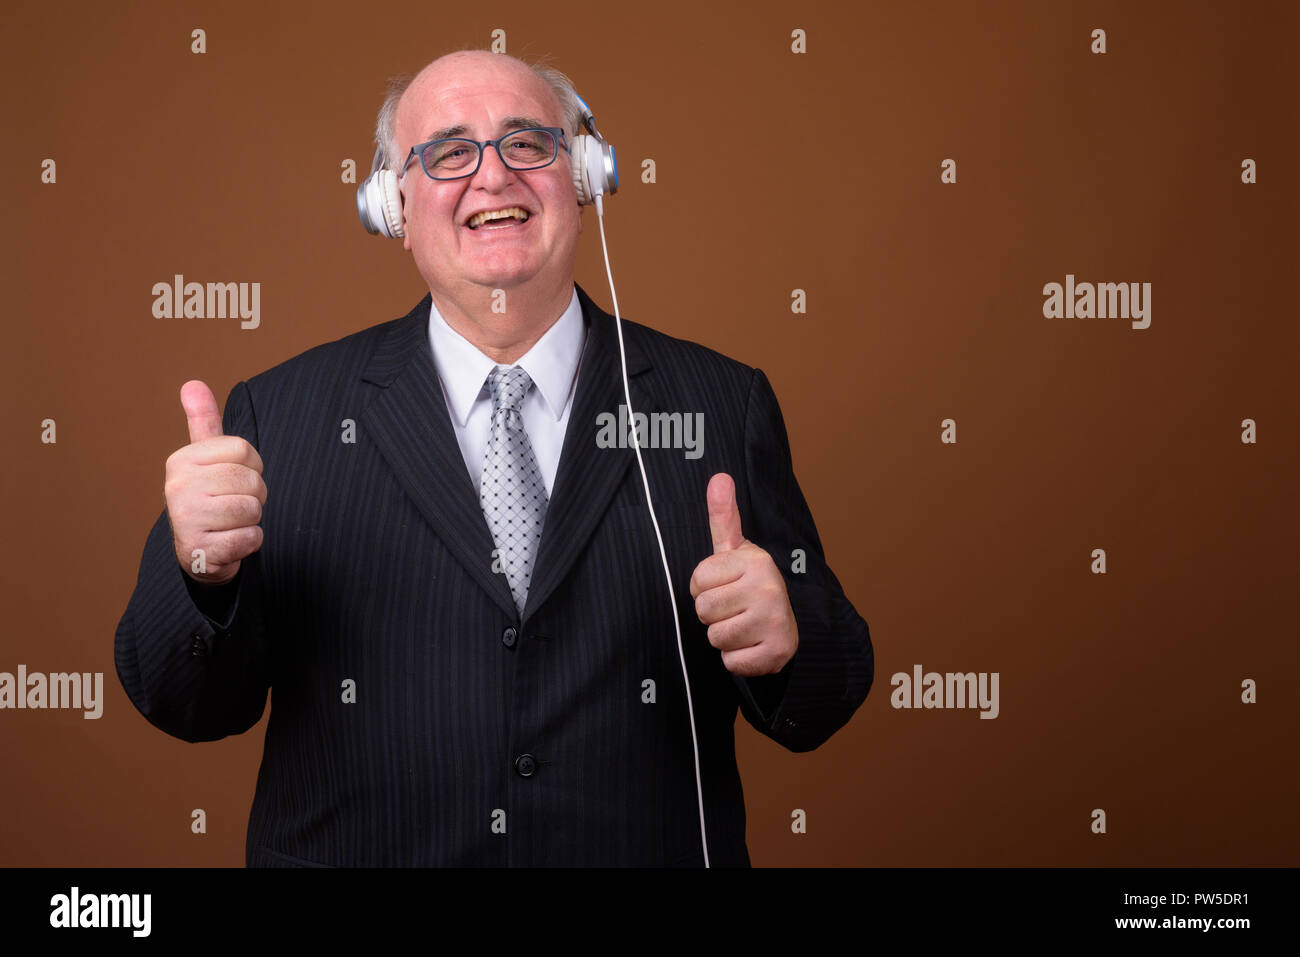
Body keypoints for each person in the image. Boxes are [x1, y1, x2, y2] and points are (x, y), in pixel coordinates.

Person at [114, 49, 874, 867]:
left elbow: (826, 698)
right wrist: (199, 572)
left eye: (527, 144)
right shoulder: (280, 413)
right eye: (448, 153)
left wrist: (788, 638)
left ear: (583, 178)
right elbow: (184, 703)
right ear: (391, 207)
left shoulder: (722, 401)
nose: (492, 177)